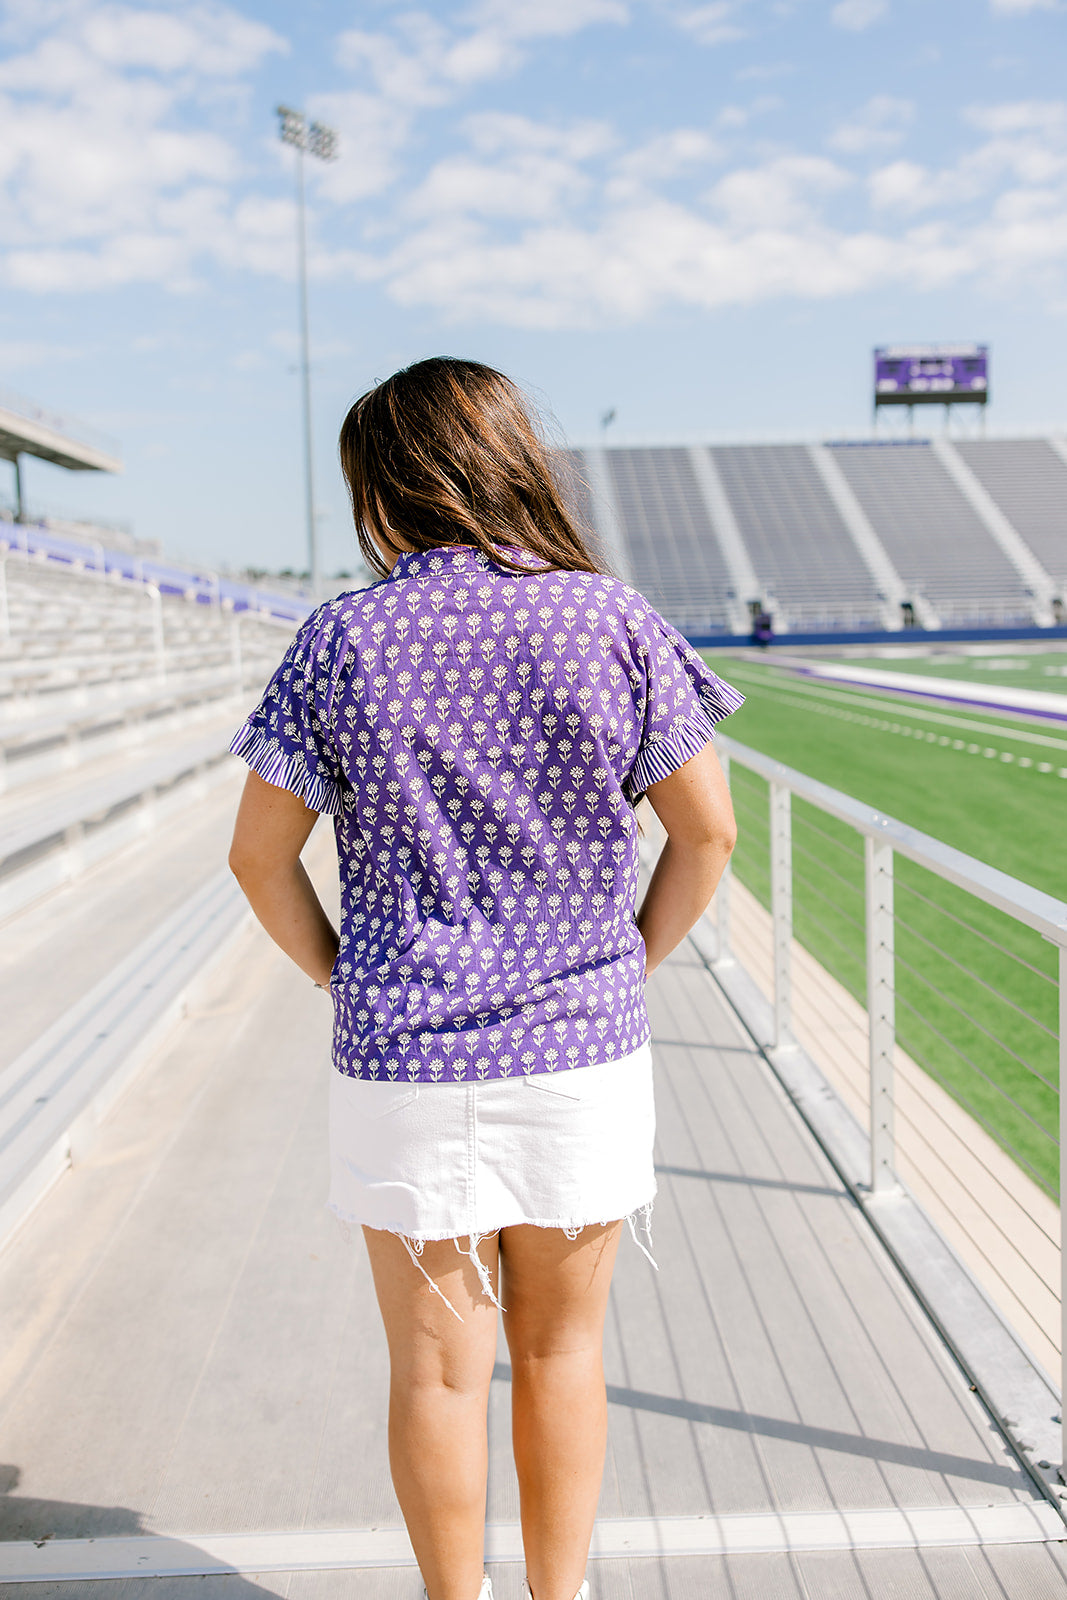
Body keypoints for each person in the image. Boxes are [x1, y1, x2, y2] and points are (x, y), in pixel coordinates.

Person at [227, 358, 742, 1600]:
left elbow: (257, 856)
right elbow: (707, 831)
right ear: (506, 458)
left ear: (389, 488)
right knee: (563, 1354)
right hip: (579, 1050)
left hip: (405, 1058)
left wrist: (344, 976)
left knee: (434, 1370)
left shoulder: (341, 637)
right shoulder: (605, 616)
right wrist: (620, 966)